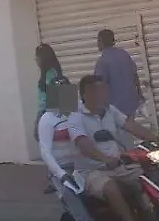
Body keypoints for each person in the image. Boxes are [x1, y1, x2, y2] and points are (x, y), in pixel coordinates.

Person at [69, 74, 159, 221]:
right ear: (86, 94)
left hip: (120, 166)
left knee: (150, 178)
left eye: (103, 90)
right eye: (97, 91)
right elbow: (84, 145)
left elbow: (131, 126)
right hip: (92, 172)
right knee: (111, 188)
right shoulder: (75, 117)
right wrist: (105, 159)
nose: (102, 94)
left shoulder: (110, 110)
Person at [37, 78, 94, 221]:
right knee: (71, 195)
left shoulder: (81, 110)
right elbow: (45, 152)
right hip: (63, 169)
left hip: (85, 164)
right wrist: (61, 174)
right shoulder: (47, 119)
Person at [94, 29, 145, 118]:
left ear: (101, 41)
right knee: (130, 124)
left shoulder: (102, 61)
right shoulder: (123, 54)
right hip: (131, 103)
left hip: (115, 108)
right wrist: (140, 94)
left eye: (98, 40)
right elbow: (135, 75)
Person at [34, 44, 65, 141]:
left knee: (41, 136)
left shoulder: (50, 73)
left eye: (37, 56)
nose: (35, 59)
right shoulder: (53, 72)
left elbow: (52, 93)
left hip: (47, 111)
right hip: (49, 111)